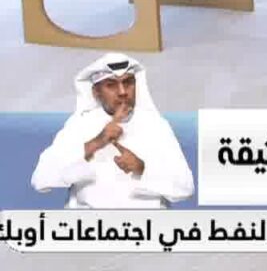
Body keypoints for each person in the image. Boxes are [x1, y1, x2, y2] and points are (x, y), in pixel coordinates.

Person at [30, 53, 194, 209]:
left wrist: (142, 168)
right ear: (96, 92)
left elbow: (185, 187)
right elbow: (41, 179)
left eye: (128, 83)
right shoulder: (79, 125)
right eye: (111, 85)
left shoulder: (156, 125)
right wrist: (96, 143)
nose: (123, 92)